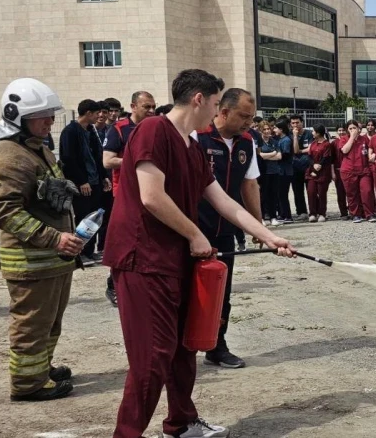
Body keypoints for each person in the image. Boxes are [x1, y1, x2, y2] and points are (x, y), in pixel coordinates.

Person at [103, 69, 294, 438]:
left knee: (183, 348)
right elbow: (151, 196)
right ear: (199, 99)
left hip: (174, 262)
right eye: (215, 103)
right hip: (143, 260)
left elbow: (223, 200)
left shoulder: (189, 147)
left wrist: (268, 236)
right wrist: (194, 234)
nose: (217, 112)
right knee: (153, 357)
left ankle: (180, 423)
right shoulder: (154, 131)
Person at [0, 78, 85, 401]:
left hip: (53, 260)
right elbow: (5, 212)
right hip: (32, 262)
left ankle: (41, 368)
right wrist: (55, 239)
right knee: (31, 325)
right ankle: (27, 385)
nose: (50, 120)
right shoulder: (8, 155)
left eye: (50, 113)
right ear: (17, 116)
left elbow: (41, 194)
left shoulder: (38, 149)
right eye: (41, 115)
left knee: (49, 323)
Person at [193, 87, 262, 370]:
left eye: (252, 117)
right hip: (194, 229)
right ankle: (182, 346)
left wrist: (258, 226)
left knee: (222, 291)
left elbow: (250, 185)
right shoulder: (197, 137)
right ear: (223, 111)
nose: (249, 122)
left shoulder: (247, 143)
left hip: (225, 232)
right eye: (244, 116)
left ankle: (216, 345)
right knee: (188, 289)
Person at [102, 90, 156, 307]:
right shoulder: (119, 129)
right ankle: (114, 285)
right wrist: (137, 161)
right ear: (133, 107)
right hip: (125, 193)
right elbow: (107, 161)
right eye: (146, 107)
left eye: (153, 106)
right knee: (126, 241)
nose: (151, 111)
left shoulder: (156, 128)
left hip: (152, 191)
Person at [59, 99, 111, 265]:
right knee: (82, 218)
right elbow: (68, 159)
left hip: (94, 182)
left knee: (93, 218)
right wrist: (81, 181)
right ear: (88, 113)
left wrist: (103, 177)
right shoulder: (70, 132)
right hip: (81, 184)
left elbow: (98, 156)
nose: (99, 116)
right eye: (97, 113)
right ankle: (79, 253)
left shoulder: (91, 130)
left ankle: (89, 251)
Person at [97, 98, 121, 257]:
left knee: (111, 215)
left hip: (111, 179)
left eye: (114, 111)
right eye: (108, 111)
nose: (112, 114)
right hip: (100, 178)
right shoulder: (94, 131)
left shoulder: (113, 129)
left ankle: (105, 245)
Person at [339, 120, 376, 223]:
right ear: (347, 130)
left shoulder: (364, 140)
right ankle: (355, 214)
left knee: (367, 191)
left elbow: (372, 150)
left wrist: (373, 155)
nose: (352, 130)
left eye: (354, 128)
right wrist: (351, 137)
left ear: (358, 129)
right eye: (350, 129)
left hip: (364, 170)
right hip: (348, 171)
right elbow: (345, 150)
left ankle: (369, 214)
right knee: (352, 193)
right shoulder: (343, 139)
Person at [306, 125, 334, 222]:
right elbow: (309, 156)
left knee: (322, 193)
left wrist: (319, 166)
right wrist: (313, 166)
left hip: (323, 173)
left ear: (318, 133)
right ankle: (312, 213)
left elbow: (326, 158)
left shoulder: (327, 144)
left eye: (313, 131)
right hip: (312, 172)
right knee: (311, 192)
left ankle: (322, 213)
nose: (312, 133)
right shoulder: (313, 143)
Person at [290, 115, 313, 221]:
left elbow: (311, 148)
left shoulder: (309, 133)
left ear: (302, 122)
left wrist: (300, 151)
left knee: (311, 190)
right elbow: (295, 150)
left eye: (297, 122)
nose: (295, 125)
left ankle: (314, 211)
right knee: (297, 191)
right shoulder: (290, 135)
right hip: (295, 167)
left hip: (308, 166)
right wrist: (295, 137)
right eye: (293, 123)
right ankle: (302, 211)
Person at [258, 122, 280, 225]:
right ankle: (261, 217)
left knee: (273, 195)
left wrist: (268, 156)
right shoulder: (259, 142)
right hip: (263, 172)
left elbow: (279, 156)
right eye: (264, 129)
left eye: (268, 129)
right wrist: (272, 153)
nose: (267, 131)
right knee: (263, 195)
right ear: (261, 131)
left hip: (274, 171)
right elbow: (260, 155)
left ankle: (273, 217)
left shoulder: (274, 141)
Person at [272, 122, 294, 224]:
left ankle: (287, 215)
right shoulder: (280, 140)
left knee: (283, 194)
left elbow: (285, 154)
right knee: (280, 194)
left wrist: (274, 156)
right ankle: (283, 214)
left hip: (285, 171)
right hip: (280, 171)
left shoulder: (286, 140)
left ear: (281, 129)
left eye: (276, 128)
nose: (274, 130)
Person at [330, 125, 349, 219]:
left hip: (349, 170)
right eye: (339, 130)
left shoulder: (349, 141)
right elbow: (332, 159)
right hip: (338, 170)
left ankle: (353, 211)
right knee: (341, 193)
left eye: (343, 130)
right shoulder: (334, 143)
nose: (341, 132)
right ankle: (344, 212)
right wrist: (332, 173)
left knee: (350, 192)